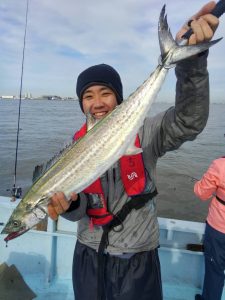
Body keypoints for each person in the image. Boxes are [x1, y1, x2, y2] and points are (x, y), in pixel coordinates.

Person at [47, 2, 219, 300]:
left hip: (137, 258)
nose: (97, 102)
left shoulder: (146, 133)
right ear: (81, 104)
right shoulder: (70, 149)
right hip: (88, 255)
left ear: (119, 98)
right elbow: (78, 209)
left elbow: (189, 122)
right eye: (88, 96)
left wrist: (191, 65)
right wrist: (69, 207)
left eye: (105, 93)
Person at [194, 156, 225, 300]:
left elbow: (201, 193)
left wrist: (198, 184)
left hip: (219, 229)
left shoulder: (220, 165)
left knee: (215, 270)